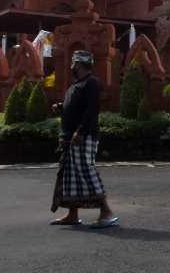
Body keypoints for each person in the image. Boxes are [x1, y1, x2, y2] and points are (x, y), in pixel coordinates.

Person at [49, 50, 119, 228]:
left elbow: (91, 110)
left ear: (79, 64)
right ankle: (72, 214)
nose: (71, 66)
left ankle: (106, 212)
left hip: (83, 136)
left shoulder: (91, 83)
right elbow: (75, 107)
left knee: (86, 171)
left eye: (73, 63)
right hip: (69, 137)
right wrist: (61, 107)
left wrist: (79, 132)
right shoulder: (76, 84)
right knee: (70, 176)